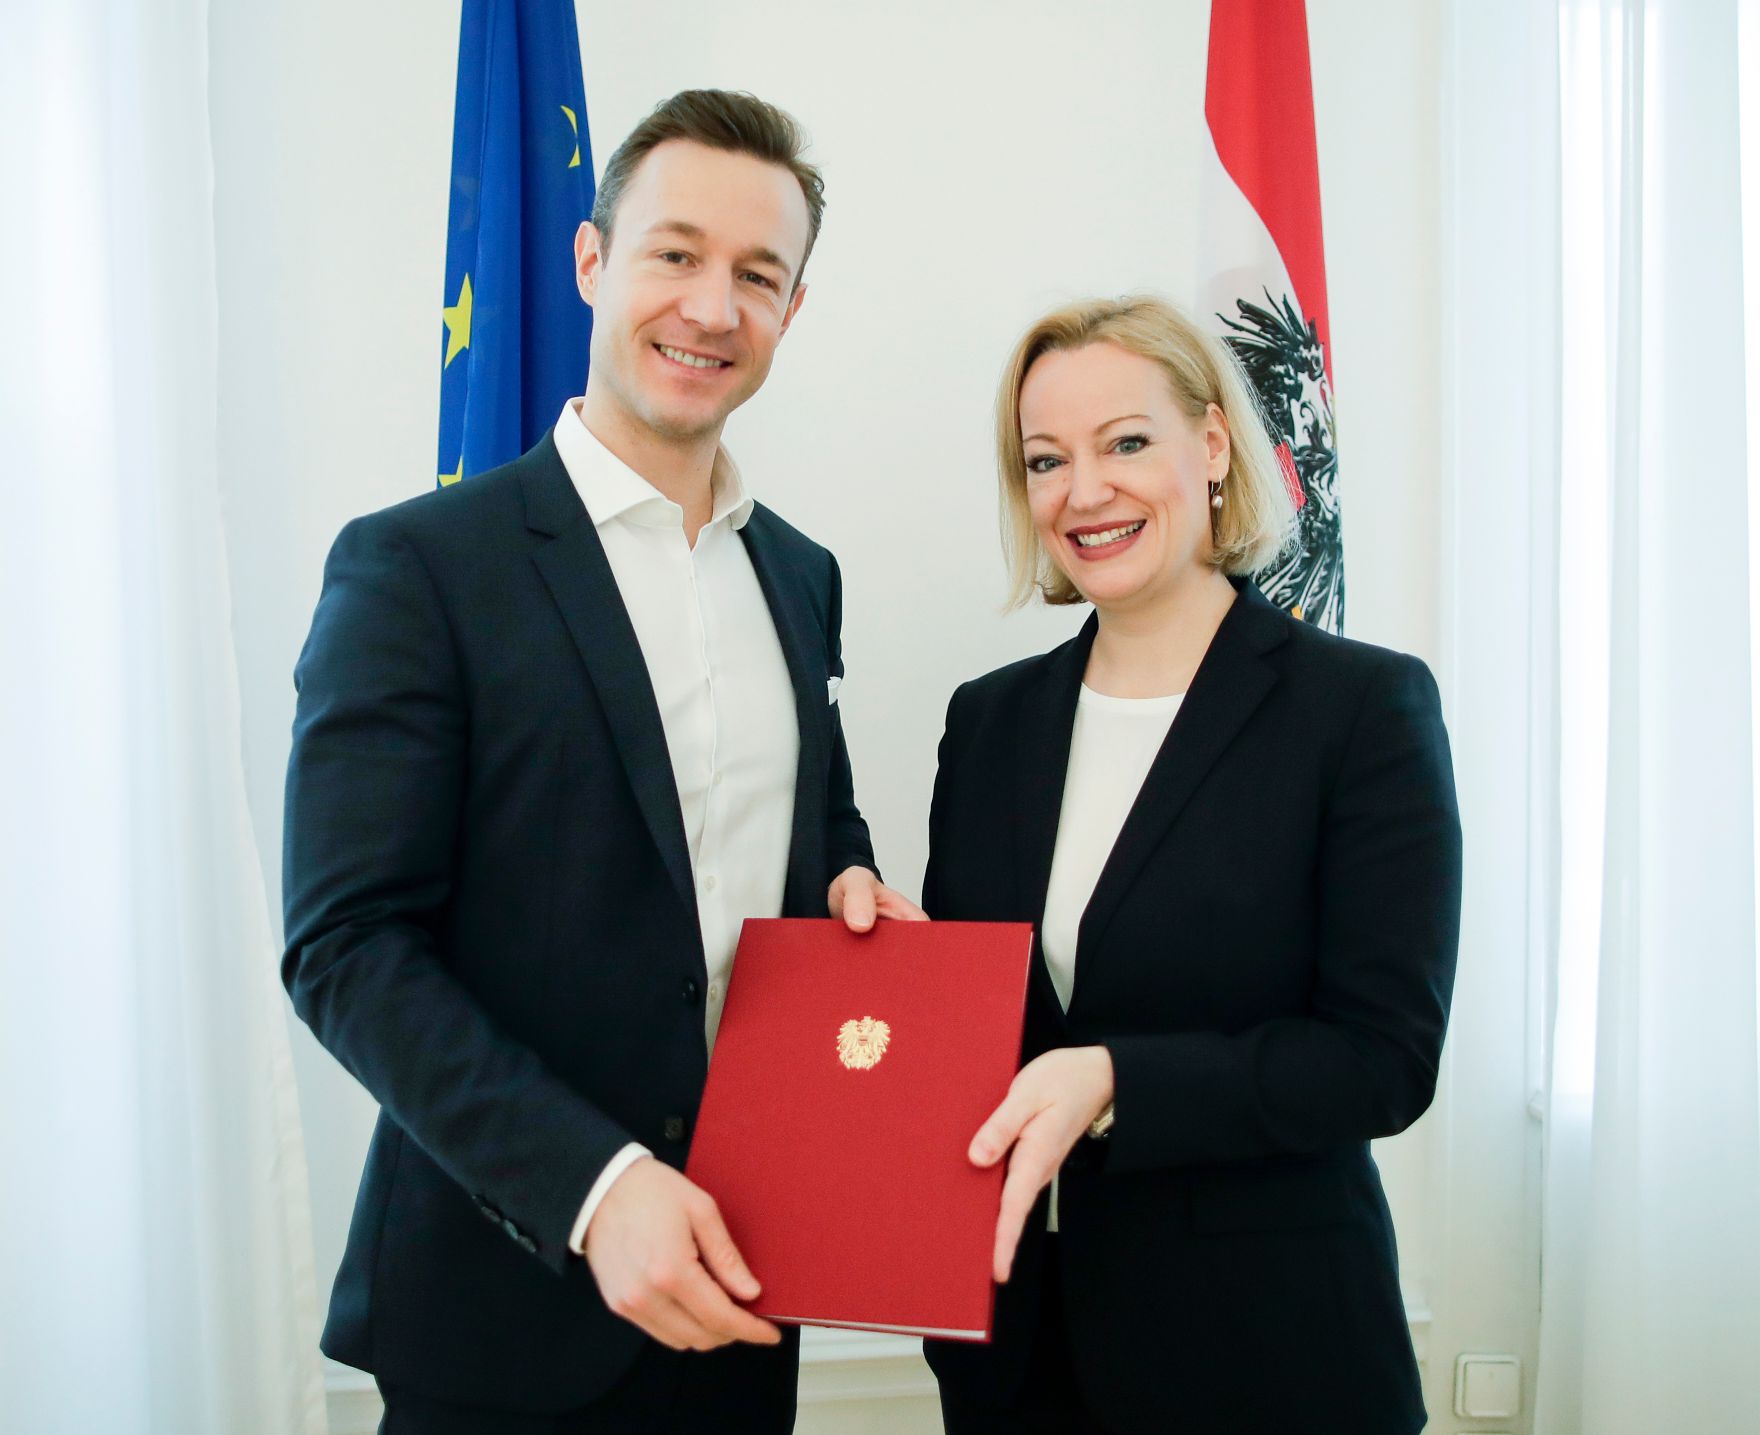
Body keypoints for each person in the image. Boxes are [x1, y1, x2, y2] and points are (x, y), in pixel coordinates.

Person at [282, 89, 923, 1435]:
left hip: (746, 1285)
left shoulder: (802, 576)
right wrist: (592, 1182)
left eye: (758, 274)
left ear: (792, 311)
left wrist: (856, 882)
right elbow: (346, 943)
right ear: (590, 260)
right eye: (674, 253)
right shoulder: (416, 567)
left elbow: (819, 816)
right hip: (498, 1309)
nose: (711, 305)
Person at [920, 296, 1462, 1433]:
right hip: (1015, 1358)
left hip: (1264, 1355)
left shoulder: (1359, 708)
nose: (1084, 489)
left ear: (1211, 447)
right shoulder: (989, 723)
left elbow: (1381, 1059)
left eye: (1125, 442)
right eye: (1044, 459)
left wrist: (1117, 1078)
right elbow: (978, 1033)